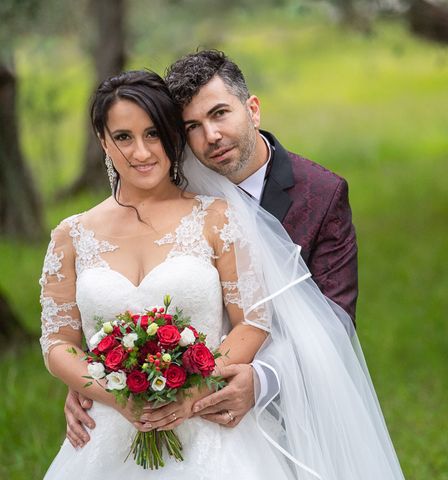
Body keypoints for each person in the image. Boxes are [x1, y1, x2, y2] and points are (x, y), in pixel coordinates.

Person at [41, 70, 404, 478]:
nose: (141, 152)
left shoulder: (221, 214)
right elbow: (59, 340)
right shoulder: (71, 235)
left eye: (154, 134)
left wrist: (194, 389)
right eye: (123, 137)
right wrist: (103, 388)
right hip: (107, 435)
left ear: (252, 109)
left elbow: (282, 319)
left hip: (215, 427)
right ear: (103, 141)